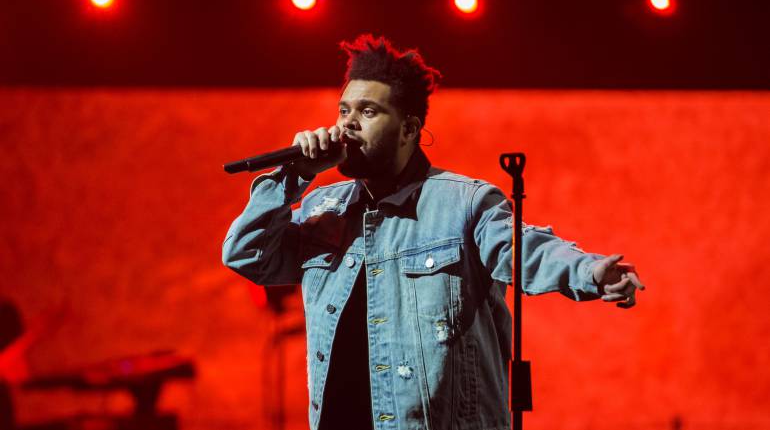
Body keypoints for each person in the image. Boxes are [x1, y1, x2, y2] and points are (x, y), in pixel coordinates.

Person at [222, 34, 644, 430]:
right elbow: (245, 255)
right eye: (343, 110)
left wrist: (590, 272)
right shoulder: (322, 207)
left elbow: (524, 248)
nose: (347, 126)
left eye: (367, 112)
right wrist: (292, 176)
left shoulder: (464, 203)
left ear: (409, 129)